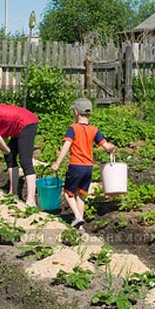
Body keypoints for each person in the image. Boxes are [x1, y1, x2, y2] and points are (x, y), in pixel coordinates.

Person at [51, 98, 115, 229]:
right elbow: (106, 147)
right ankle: (80, 226)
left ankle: (78, 217)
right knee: (81, 195)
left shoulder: (72, 128)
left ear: (76, 112)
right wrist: (112, 148)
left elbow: (66, 145)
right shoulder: (94, 130)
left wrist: (57, 162)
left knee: (68, 193)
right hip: (88, 168)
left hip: (76, 166)